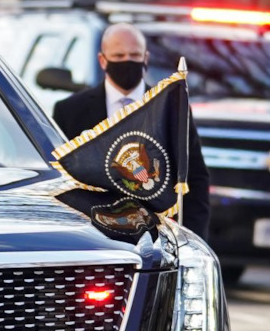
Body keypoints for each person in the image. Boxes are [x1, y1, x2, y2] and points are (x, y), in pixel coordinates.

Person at [52, 23, 212, 239]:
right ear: (103, 60)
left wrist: (191, 238)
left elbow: (194, 178)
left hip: (157, 235)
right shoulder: (70, 111)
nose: (127, 61)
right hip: (92, 234)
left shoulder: (172, 109)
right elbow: (60, 178)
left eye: (134, 54)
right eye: (118, 55)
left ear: (145, 59)